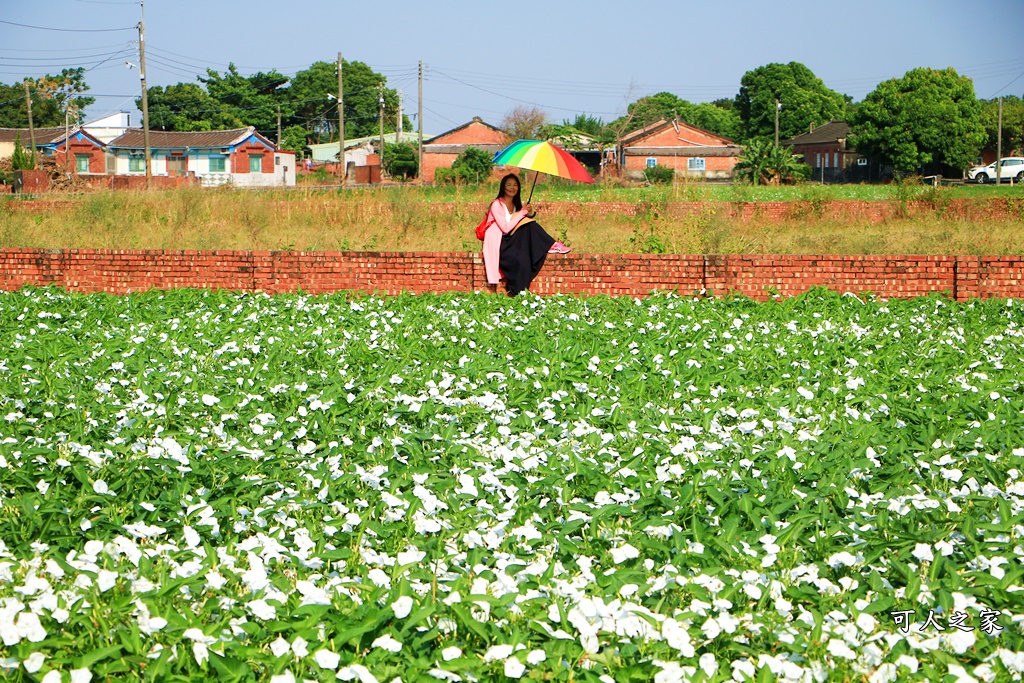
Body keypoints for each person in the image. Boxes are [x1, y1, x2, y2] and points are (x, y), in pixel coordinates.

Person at [482, 173, 570, 296]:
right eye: (509, 185)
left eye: (515, 185)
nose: (512, 187)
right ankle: (551, 244)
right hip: (500, 242)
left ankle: (550, 245)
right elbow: (505, 228)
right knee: (529, 225)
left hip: (509, 240)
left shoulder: (515, 206)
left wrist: (524, 212)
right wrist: (522, 213)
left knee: (529, 227)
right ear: (503, 187)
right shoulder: (497, 204)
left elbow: (517, 223)